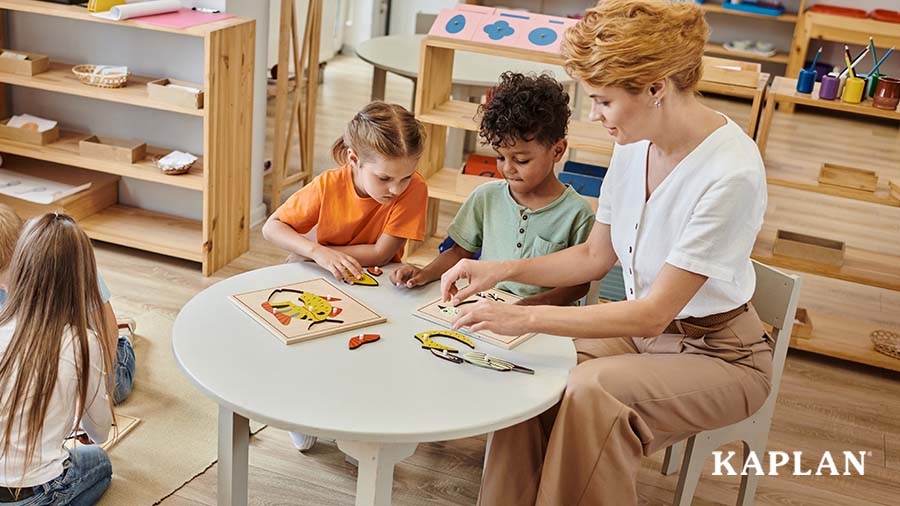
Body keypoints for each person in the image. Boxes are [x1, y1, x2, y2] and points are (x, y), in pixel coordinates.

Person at [439, 1, 772, 504]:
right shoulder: (633, 142)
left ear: (656, 87)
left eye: (603, 101)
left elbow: (654, 313)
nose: (594, 116)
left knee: (592, 393)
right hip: (642, 340)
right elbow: (595, 257)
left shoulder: (732, 173)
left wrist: (524, 318)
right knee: (525, 367)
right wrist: (498, 269)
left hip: (721, 355)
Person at [262, 101, 428, 451]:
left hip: (381, 282)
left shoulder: (415, 189)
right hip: (327, 276)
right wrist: (315, 252)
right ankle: (301, 411)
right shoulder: (328, 184)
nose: (396, 189)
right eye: (384, 178)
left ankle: (355, 422)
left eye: (405, 177)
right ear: (354, 159)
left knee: (364, 357)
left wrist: (311, 256)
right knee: (309, 345)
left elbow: (382, 253)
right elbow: (272, 226)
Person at [391, 72, 595, 306]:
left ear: (557, 151)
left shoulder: (577, 214)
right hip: (486, 308)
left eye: (521, 160)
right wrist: (424, 273)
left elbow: (578, 285)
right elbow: (459, 253)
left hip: (544, 319)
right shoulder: (486, 197)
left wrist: (527, 308)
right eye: (500, 157)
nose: (507, 169)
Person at [0, 213, 116, 505]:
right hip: (32, 489)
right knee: (99, 463)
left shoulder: (2, 325)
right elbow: (100, 432)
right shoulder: (82, 342)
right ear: (83, 278)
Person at [0, 204, 135, 406]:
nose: (5, 287)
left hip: (77, 346)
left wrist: (98, 382)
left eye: (7, 278)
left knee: (115, 388)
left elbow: (106, 330)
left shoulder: (71, 269)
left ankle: (126, 339)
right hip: (32, 350)